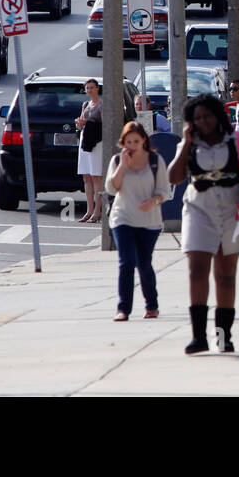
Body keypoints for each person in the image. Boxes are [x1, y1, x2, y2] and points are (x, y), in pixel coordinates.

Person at [167, 94, 239, 354]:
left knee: (225, 275)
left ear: (217, 115)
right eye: (197, 118)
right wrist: (186, 143)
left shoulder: (237, 141)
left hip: (232, 211)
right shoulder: (190, 143)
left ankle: (224, 336)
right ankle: (198, 337)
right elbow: (174, 178)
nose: (203, 122)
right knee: (196, 270)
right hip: (198, 209)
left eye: (207, 116)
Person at [105, 121, 170, 321]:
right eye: (128, 142)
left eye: (135, 141)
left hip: (149, 219)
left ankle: (152, 305)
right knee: (126, 262)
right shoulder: (117, 160)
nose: (131, 146)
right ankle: (123, 308)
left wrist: (153, 200)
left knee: (144, 263)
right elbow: (111, 188)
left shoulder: (155, 160)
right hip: (122, 216)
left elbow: (164, 190)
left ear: (144, 140)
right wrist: (123, 166)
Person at [75, 79, 105, 223]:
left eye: (92, 88)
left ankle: (98, 211)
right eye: (87, 88)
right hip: (85, 140)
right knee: (86, 176)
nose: (90, 90)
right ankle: (89, 209)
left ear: (97, 88)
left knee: (96, 176)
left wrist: (88, 123)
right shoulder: (85, 105)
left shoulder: (102, 105)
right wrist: (79, 124)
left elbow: (105, 125)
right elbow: (81, 124)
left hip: (97, 143)